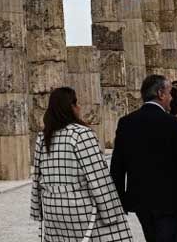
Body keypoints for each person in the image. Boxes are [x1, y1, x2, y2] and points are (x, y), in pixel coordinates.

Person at [111, 74, 177, 242]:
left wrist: (119, 199)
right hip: (169, 201)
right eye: (170, 92)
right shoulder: (173, 124)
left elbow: (118, 166)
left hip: (141, 199)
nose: (172, 98)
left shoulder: (126, 122)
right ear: (160, 94)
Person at [31, 87, 133, 241]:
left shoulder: (43, 137)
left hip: (52, 208)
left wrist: (36, 210)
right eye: (76, 103)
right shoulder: (81, 134)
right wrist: (111, 214)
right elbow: (98, 177)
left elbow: (37, 178)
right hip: (79, 208)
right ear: (69, 107)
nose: (79, 107)